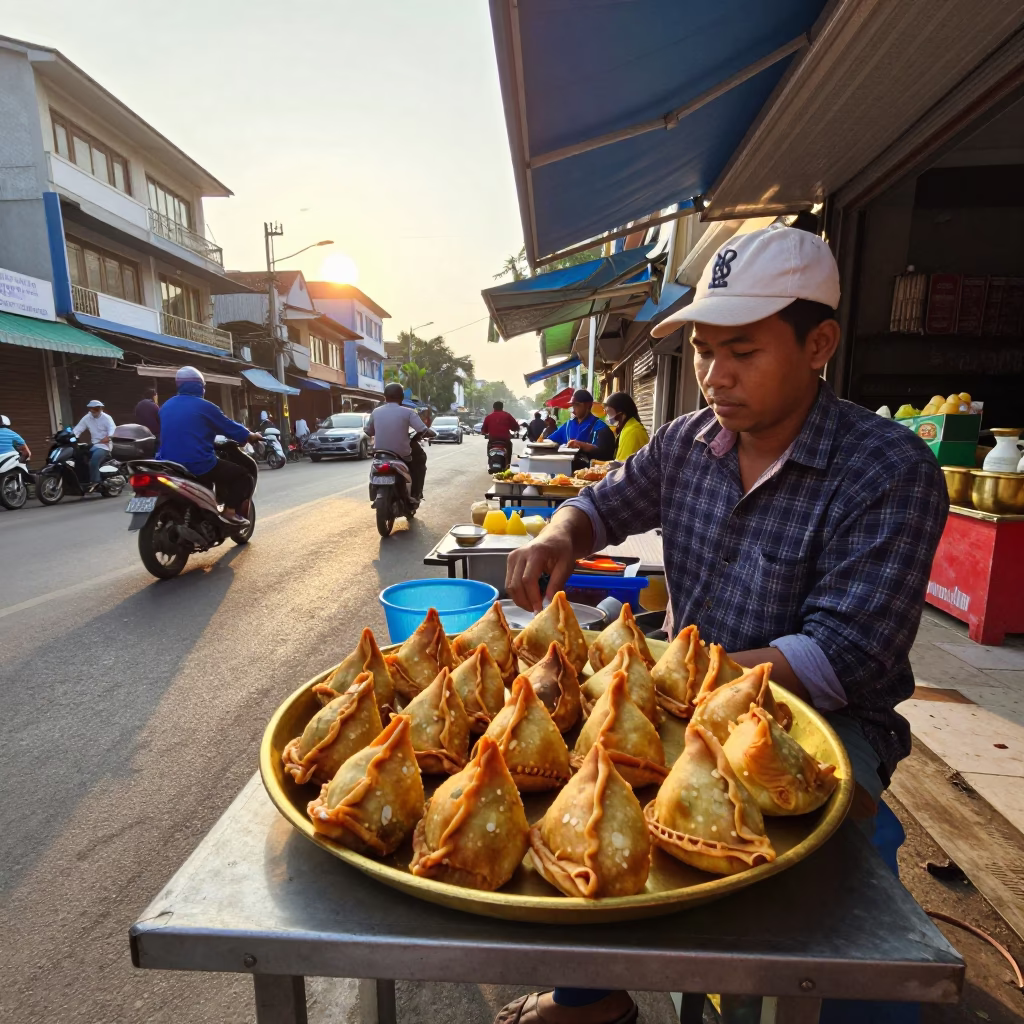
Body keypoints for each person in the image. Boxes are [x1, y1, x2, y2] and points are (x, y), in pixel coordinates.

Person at [501, 225, 949, 1024]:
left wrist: (652, 682)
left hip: (815, 727)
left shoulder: (887, 469)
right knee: (569, 799)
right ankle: (594, 995)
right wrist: (558, 533)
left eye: (741, 351)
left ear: (818, 344)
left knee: (846, 899)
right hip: (676, 703)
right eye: (705, 351)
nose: (714, 375)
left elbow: (842, 655)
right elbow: (601, 505)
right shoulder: (685, 443)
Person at [157, 366, 263, 526]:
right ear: (200, 386)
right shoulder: (205, 407)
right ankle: (229, 512)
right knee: (243, 476)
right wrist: (251, 436)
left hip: (167, 462)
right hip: (196, 463)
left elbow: (186, 432)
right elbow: (229, 426)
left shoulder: (166, 406)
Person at [364, 383, 435, 501]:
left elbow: (368, 431)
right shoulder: (408, 412)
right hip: (402, 454)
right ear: (401, 397)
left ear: (385, 397)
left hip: (380, 453)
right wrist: (430, 433)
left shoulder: (376, 412)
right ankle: (416, 493)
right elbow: (423, 430)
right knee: (420, 459)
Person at [544, 389, 616, 470]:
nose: (573, 409)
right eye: (572, 406)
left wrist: (581, 445)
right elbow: (551, 441)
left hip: (590, 474)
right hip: (565, 471)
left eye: (577, 405)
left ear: (588, 405)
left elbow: (604, 454)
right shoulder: (568, 425)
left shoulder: (600, 427)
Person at [73, 400, 116, 488]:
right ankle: (82, 480)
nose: (93, 411)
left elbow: (113, 430)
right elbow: (78, 429)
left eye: (95, 409)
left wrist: (108, 437)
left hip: (105, 446)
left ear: (100, 409)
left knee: (94, 461)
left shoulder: (107, 418)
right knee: (79, 457)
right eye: (91, 409)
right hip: (94, 444)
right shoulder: (87, 418)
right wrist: (72, 436)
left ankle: (95, 481)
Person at [603, 392, 649, 461]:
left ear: (622, 414)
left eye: (610, 413)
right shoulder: (627, 428)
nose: (608, 418)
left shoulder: (633, 432)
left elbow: (624, 467)